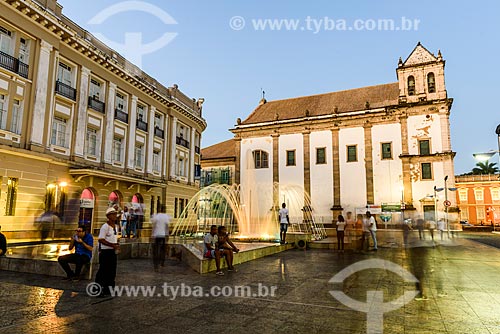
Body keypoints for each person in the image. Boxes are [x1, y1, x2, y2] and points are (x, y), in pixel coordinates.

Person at [95, 207, 120, 297]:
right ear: (108, 216)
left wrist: (116, 244)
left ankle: (108, 289)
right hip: (105, 252)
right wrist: (112, 245)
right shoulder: (105, 227)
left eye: (115, 214)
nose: (115, 216)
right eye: (112, 214)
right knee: (103, 271)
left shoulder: (116, 227)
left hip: (112, 252)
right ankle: (97, 290)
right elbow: (101, 239)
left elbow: (113, 238)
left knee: (112, 271)